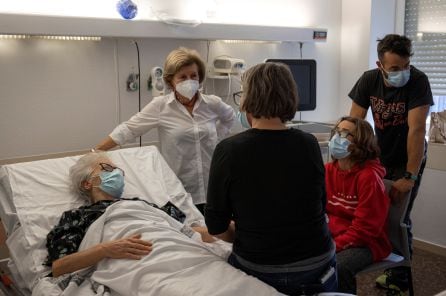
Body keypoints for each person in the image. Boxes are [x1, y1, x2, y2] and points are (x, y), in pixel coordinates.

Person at [205, 62, 337, 296]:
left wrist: (247, 230)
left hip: (261, 269)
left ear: (247, 100)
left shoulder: (229, 150)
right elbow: (318, 205)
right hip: (317, 265)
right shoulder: (309, 144)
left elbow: (216, 228)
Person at [94, 47, 236, 213]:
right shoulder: (161, 107)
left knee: (217, 233)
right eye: (182, 77)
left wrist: (216, 139)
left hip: (212, 184)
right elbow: (129, 129)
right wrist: (96, 151)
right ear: (170, 81)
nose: (189, 81)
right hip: (179, 187)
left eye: (193, 76)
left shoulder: (212, 103)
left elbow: (229, 117)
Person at [348, 34, 434, 294]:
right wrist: (352, 161)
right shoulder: (368, 80)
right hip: (379, 157)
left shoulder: (418, 81)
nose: (403, 72)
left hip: (410, 157)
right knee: (378, 214)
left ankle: (400, 276)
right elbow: (355, 124)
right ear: (380, 65)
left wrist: (410, 175)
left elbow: (417, 130)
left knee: (399, 219)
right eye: (395, 69)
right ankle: (388, 266)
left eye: (406, 66)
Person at [44, 151, 215, 278]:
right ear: (87, 183)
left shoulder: (142, 204)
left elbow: (184, 231)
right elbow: (59, 267)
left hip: (177, 253)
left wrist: (228, 229)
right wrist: (105, 249)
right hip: (135, 266)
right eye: (108, 168)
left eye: (119, 171)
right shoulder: (76, 216)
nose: (117, 174)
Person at [325, 116, 391, 294]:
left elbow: (365, 230)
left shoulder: (368, 178)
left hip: (366, 243)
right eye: (336, 132)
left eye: (345, 134)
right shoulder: (327, 170)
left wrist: (332, 246)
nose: (336, 138)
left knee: (338, 266)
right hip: (333, 235)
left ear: (361, 141)